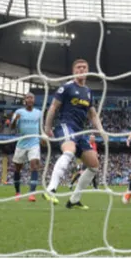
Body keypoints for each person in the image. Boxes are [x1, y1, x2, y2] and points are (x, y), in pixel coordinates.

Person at [43, 59, 106, 209]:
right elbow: (53, 108)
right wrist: (47, 129)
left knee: (94, 165)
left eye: (84, 67)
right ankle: (51, 189)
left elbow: (93, 115)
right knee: (69, 151)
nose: (81, 69)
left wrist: (101, 130)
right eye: (78, 67)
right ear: (74, 71)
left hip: (80, 132)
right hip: (65, 126)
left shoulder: (88, 92)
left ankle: (74, 199)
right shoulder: (67, 88)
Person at [9, 93, 42, 202]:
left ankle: (32, 194)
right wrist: (14, 120)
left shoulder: (39, 113)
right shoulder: (19, 112)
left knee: (34, 165)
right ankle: (17, 192)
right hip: (22, 144)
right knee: (17, 169)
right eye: (27, 97)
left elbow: (41, 127)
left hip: (34, 143)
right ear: (25, 100)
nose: (29, 99)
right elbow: (11, 127)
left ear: (34, 100)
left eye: (31, 97)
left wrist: (43, 137)